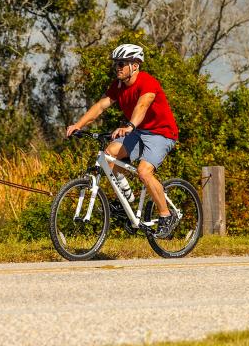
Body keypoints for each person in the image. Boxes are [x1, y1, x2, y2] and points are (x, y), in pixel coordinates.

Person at [66, 43, 179, 238]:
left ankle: (166, 215)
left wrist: (130, 126)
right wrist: (79, 124)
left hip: (161, 133)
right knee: (109, 154)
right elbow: (101, 106)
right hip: (138, 131)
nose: (117, 67)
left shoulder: (147, 82)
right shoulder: (118, 86)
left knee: (144, 172)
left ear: (135, 65)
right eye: (116, 64)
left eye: (122, 63)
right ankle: (127, 195)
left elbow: (142, 106)